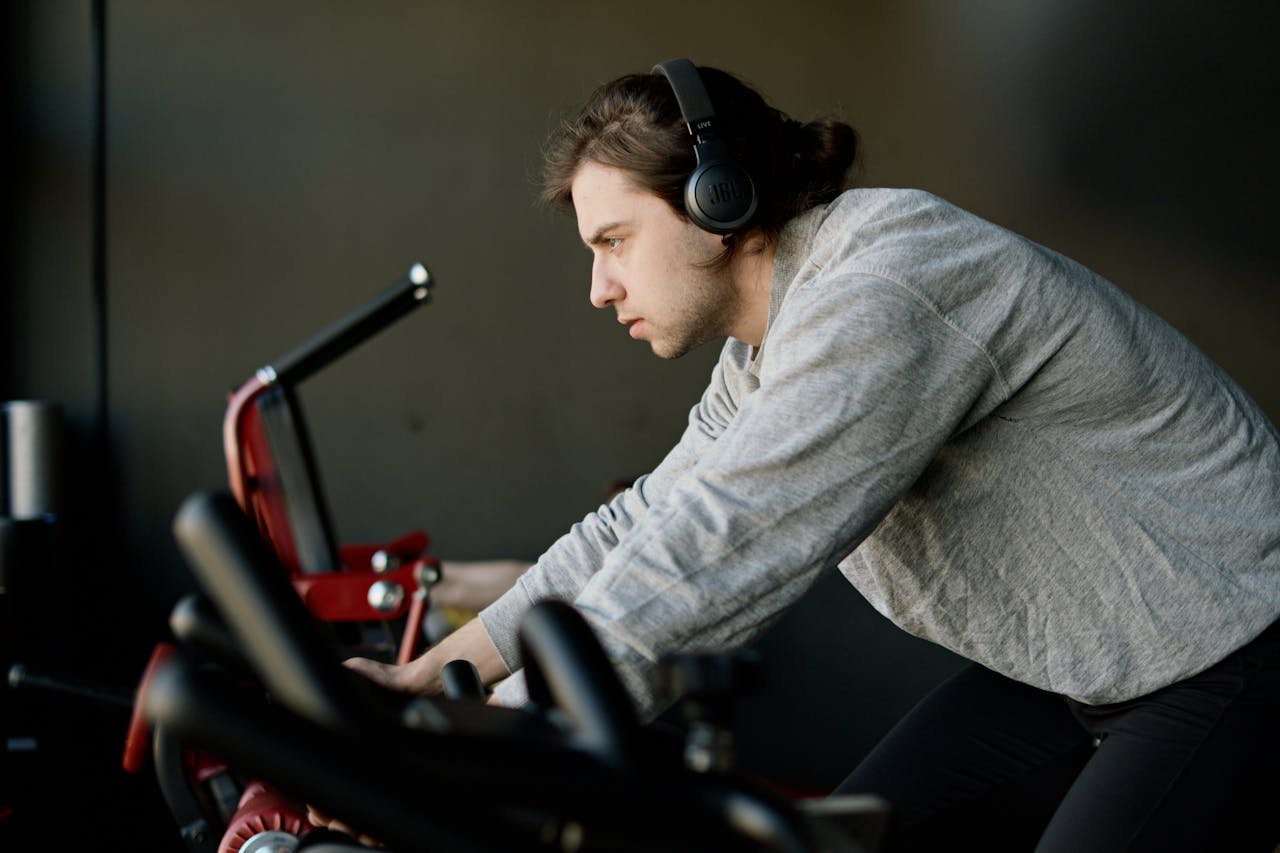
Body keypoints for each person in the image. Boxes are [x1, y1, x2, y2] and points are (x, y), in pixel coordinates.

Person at [343, 60, 1280, 850]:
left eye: (616, 241)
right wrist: (423, 677)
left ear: (716, 199)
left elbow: (724, 550)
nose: (600, 287)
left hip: (1233, 642)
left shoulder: (885, 288)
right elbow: (647, 522)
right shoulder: (766, 346)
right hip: (1095, 662)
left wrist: (490, 751)